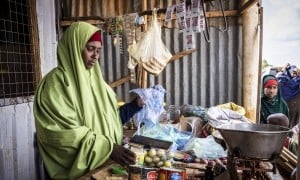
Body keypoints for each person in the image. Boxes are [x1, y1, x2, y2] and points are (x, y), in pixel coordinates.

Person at [33, 22, 144, 179]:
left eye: (98, 50)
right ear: (74, 47)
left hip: (104, 166)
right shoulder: (56, 85)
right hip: (80, 173)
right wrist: (108, 148)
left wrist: (135, 105)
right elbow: (62, 135)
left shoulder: (98, 84)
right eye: (90, 49)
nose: (95, 56)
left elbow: (111, 119)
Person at [276, 63, 300, 127]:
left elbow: (278, 77)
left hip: (291, 109)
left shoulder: (282, 79)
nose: (294, 74)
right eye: (293, 72)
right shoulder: (295, 81)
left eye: (295, 72)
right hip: (290, 108)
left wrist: (283, 70)